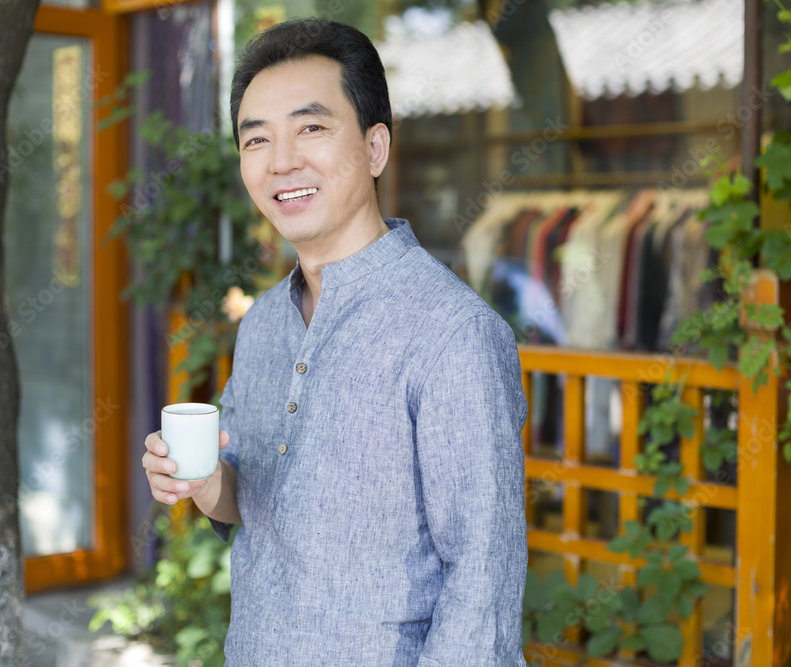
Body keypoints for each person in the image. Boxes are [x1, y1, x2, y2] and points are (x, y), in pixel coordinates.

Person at [142, 17, 529, 666]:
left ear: (376, 148)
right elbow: (249, 499)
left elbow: (482, 588)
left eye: (312, 127)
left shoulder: (452, 331)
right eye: (256, 138)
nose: (282, 160)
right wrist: (205, 481)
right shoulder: (264, 322)